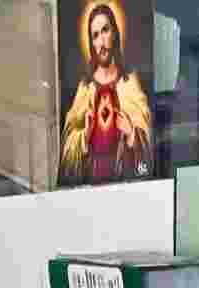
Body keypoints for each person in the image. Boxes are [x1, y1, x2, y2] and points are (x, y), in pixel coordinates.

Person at [59, 3, 153, 185]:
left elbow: (147, 152)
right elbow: (67, 149)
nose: (101, 42)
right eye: (95, 36)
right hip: (90, 185)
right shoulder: (85, 88)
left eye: (105, 31)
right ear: (91, 43)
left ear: (115, 33)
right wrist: (83, 137)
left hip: (124, 185)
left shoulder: (129, 83)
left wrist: (132, 134)